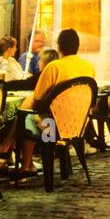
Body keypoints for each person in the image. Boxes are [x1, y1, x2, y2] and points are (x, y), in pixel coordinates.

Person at [18, 29, 96, 170]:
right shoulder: (88, 67)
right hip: (79, 126)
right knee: (29, 117)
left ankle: (24, 166)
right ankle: (28, 164)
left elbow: (37, 100)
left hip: (53, 128)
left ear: (59, 47)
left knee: (24, 118)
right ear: (77, 46)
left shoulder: (54, 67)